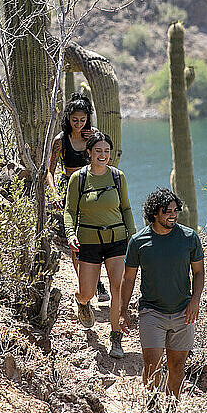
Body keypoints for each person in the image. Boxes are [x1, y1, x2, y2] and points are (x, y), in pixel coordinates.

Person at [119, 188, 204, 406]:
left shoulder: (189, 237)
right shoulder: (139, 241)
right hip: (151, 313)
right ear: (155, 213)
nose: (173, 215)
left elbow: (198, 272)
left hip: (183, 313)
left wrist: (195, 301)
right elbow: (128, 279)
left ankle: (172, 409)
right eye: (167, 211)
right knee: (151, 366)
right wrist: (123, 310)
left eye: (176, 210)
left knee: (176, 367)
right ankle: (152, 408)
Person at [64, 132, 136, 358]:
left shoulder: (117, 177)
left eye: (106, 151)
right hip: (89, 242)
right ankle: (82, 302)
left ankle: (116, 339)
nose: (103, 155)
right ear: (89, 153)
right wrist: (70, 234)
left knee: (117, 288)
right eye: (98, 151)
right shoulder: (79, 178)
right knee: (88, 291)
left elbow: (126, 208)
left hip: (116, 241)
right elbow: (69, 211)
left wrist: (131, 235)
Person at [47, 92, 109, 301]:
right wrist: (54, 193)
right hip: (69, 188)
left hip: (91, 188)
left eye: (83, 120)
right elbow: (50, 170)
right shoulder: (60, 140)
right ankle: (86, 285)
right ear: (68, 118)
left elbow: (104, 158)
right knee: (75, 239)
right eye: (75, 120)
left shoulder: (93, 136)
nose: (79, 124)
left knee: (94, 236)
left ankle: (98, 282)